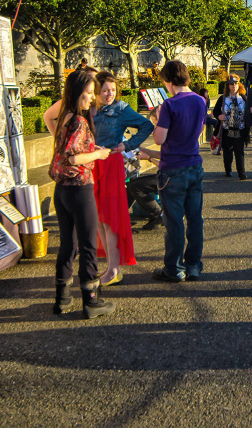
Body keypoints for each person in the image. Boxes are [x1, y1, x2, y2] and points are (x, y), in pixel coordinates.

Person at [48, 70, 115, 319]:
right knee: (88, 245)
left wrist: (89, 147)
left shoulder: (64, 117)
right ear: (77, 93)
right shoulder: (79, 121)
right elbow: (73, 156)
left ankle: (62, 299)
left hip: (61, 189)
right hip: (79, 187)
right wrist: (97, 154)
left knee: (67, 245)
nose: (91, 98)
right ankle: (92, 301)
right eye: (87, 94)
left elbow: (64, 146)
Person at [140, 60, 207, 283]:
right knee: (195, 219)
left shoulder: (169, 105)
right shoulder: (200, 100)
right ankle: (194, 265)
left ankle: (174, 268)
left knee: (175, 221)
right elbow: (201, 129)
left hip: (172, 169)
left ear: (168, 81)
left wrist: (158, 120)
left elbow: (160, 139)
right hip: (194, 164)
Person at [91, 71, 153, 285]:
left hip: (110, 164)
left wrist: (127, 145)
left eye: (113, 90)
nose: (109, 94)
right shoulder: (88, 108)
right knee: (98, 218)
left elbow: (147, 125)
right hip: (92, 165)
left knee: (110, 219)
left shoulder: (121, 108)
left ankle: (113, 269)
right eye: (105, 90)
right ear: (97, 91)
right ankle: (111, 266)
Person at [213, 75, 248, 179]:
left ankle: (241, 173)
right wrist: (219, 116)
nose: (234, 86)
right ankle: (228, 170)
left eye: (236, 83)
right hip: (226, 129)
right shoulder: (223, 98)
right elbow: (215, 111)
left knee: (239, 152)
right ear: (228, 86)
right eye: (231, 84)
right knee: (227, 152)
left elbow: (248, 113)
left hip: (240, 129)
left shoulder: (243, 98)